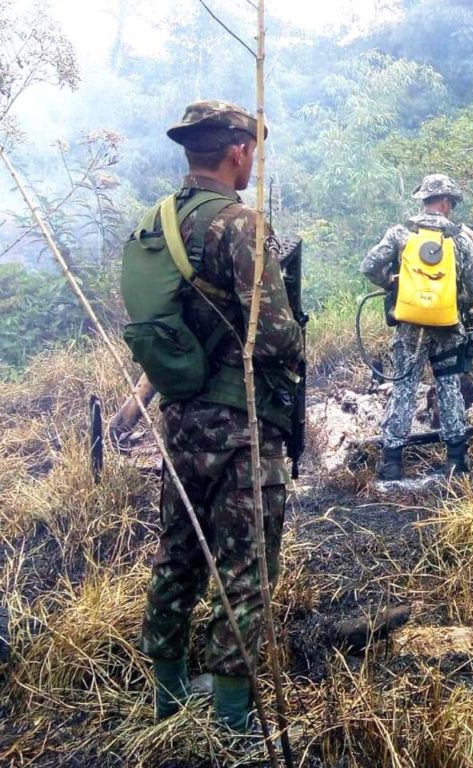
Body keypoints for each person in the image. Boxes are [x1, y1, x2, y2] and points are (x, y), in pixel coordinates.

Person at [136, 101, 302, 728]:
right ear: (236, 150)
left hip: (180, 426)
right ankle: (232, 726)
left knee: (178, 556)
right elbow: (279, 337)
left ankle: (168, 701)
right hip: (241, 430)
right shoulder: (240, 225)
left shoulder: (156, 224)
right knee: (247, 571)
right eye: (250, 149)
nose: (251, 160)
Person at [361, 174, 473, 481]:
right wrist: (455, 305)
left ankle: (392, 463)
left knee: (404, 387)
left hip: (409, 331)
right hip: (447, 328)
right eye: (452, 203)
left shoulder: (401, 233)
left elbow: (368, 266)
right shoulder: (460, 239)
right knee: (448, 385)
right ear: (445, 202)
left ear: (424, 200)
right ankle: (456, 460)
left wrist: (391, 283)